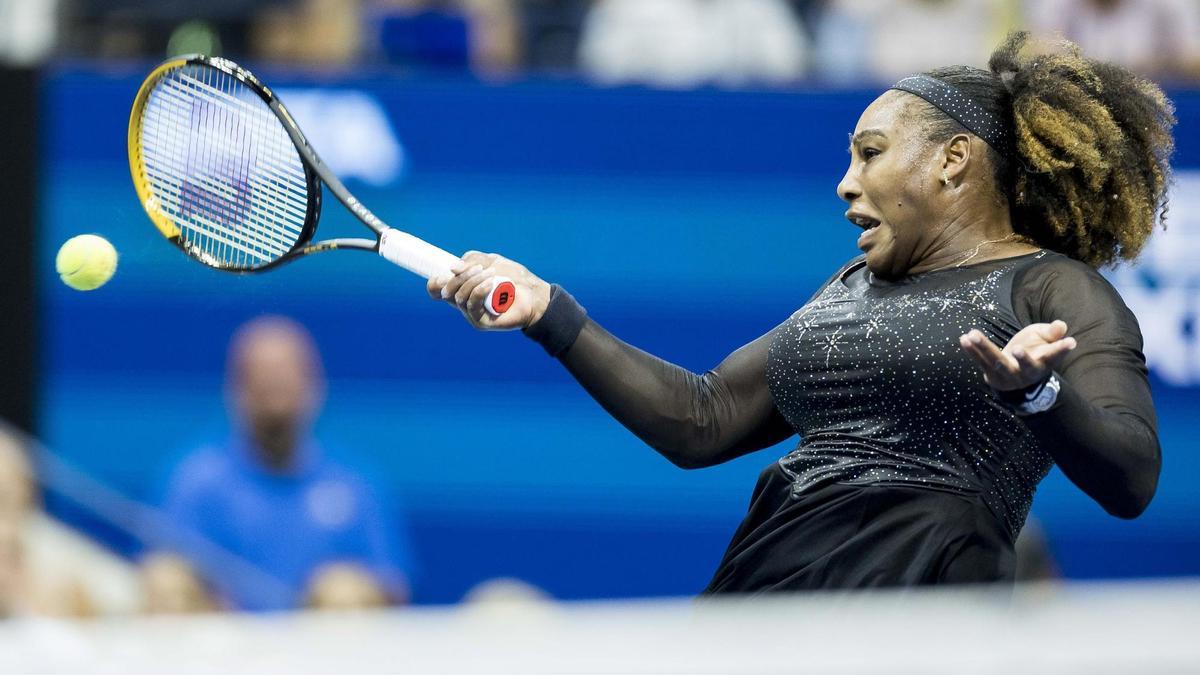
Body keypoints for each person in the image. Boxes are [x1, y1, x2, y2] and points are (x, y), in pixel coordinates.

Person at [427, 32, 1172, 592]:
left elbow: (1131, 477)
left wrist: (1040, 395)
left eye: (870, 153)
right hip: (762, 603)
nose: (846, 184)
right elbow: (704, 416)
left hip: (918, 610)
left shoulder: (1055, 289)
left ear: (954, 159)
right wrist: (548, 310)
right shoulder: (848, 285)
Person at [149, 316, 414, 610]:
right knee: (167, 578)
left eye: (285, 382)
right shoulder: (196, 479)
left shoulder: (354, 484)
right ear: (234, 391)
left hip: (320, 647)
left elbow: (392, 587)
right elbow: (167, 578)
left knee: (343, 591)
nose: (275, 400)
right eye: (262, 385)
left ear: (315, 387)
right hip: (222, 643)